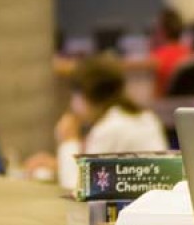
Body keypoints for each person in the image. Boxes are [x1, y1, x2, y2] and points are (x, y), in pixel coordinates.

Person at [25, 54, 169, 190]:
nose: (72, 103)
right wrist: (58, 165)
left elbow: (79, 187)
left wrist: (69, 141)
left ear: (86, 95)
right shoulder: (144, 117)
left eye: (75, 95)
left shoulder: (110, 128)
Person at [149, 6, 191, 98]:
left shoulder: (157, 58)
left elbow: (155, 95)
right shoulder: (191, 53)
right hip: (187, 106)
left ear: (162, 31)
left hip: (164, 106)